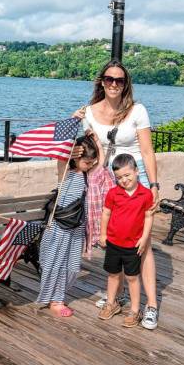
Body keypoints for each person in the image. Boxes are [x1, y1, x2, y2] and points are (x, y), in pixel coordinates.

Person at [73, 59, 160, 330]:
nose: (113, 84)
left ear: (125, 85)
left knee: (140, 245)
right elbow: (87, 147)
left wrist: (154, 185)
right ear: (101, 81)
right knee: (115, 239)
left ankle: (151, 305)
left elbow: (146, 151)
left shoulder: (137, 110)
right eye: (109, 79)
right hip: (106, 181)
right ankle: (119, 296)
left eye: (119, 80)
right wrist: (74, 128)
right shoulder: (88, 112)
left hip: (136, 179)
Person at [37, 135, 103, 317]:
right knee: (56, 262)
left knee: (72, 265)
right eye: (86, 162)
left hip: (77, 227)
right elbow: (60, 155)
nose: (90, 165)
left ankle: (58, 296)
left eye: (92, 162)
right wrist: (71, 145)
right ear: (76, 158)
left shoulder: (87, 174)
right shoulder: (65, 171)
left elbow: (101, 162)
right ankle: (56, 300)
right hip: (60, 225)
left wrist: (96, 140)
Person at [98, 154, 153, 327]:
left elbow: (148, 217)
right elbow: (106, 213)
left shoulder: (146, 194)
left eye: (128, 175)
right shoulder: (113, 193)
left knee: (132, 278)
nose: (124, 180)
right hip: (114, 243)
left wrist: (144, 238)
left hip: (133, 245)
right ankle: (111, 303)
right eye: (119, 177)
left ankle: (135, 311)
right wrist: (103, 234)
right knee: (113, 275)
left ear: (137, 171)